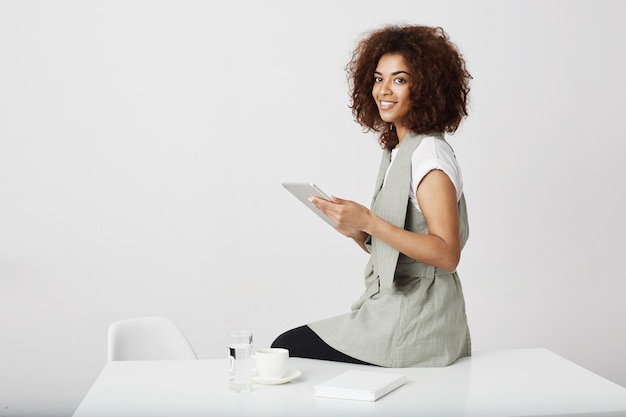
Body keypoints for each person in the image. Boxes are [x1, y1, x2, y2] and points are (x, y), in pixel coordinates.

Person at [272, 24, 472, 367]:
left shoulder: (430, 155)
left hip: (418, 319)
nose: (384, 90)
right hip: (392, 307)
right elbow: (405, 246)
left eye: (399, 79)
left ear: (426, 88)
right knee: (285, 349)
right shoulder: (399, 150)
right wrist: (359, 233)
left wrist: (370, 221)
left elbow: (446, 253)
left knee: (284, 349)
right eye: (379, 79)